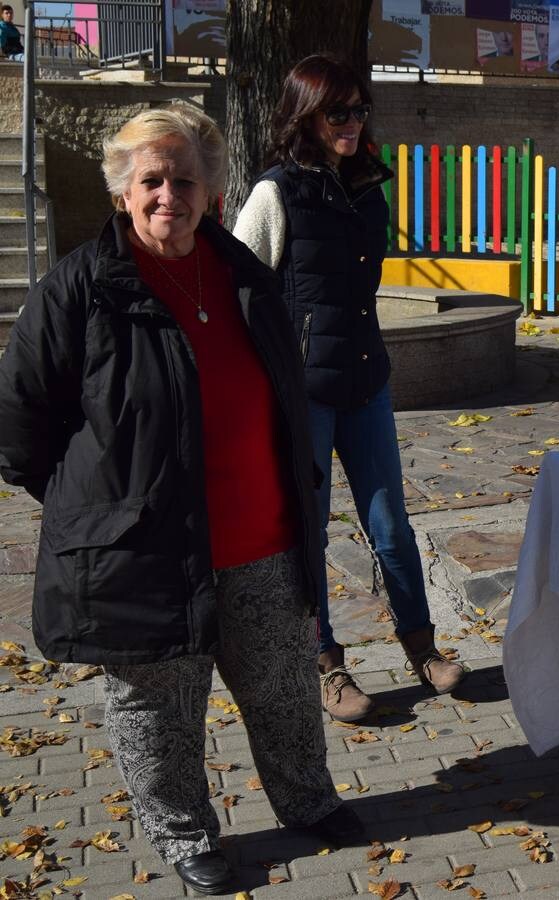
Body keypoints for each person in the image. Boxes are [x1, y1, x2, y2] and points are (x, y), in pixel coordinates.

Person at [0, 104, 363, 896]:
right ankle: (184, 834)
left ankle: (308, 801)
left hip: (262, 536)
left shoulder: (243, 277)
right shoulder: (79, 290)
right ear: (123, 194)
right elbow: (22, 422)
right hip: (145, 552)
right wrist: (92, 503)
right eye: (152, 181)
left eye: (185, 180)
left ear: (212, 192)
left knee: (287, 692)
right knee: (156, 719)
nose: (170, 195)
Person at [233, 55, 464, 724]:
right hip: (304, 395)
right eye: (339, 112)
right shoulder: (276, 194)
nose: (353, 122)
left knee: (391, 523)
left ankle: (421, 648)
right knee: (309, 531)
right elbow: (242, 287)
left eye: (361, 110)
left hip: (367, 383)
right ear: (307, 115)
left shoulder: (368, 190)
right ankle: (327, 667)